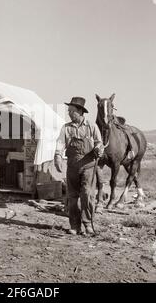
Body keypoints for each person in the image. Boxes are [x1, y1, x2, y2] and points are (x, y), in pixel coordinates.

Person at [54, 97, 104, 235]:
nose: (69, 113)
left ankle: (87, 223)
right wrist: (58, 156)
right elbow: (60, 143)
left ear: (80, 111)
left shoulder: (92, 126)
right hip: (72, 166)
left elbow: (99, 142)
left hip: (88, 166)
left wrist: (98, 148)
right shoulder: (66, 128)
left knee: (87, 194)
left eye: (72, 111)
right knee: (73, 196)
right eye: (69, 111)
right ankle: (75, 226)